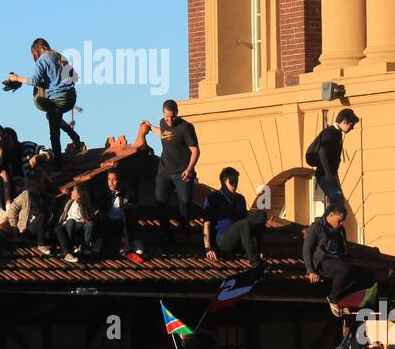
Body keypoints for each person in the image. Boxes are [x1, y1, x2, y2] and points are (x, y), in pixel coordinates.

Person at [5, 38, 83, 160]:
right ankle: (74, 136)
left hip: (57, 99)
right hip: (71, 97)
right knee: (52, 117)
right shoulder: (59, 56)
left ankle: (58, 163)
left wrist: (17, 78)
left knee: (54, 134)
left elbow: (34, 81)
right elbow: (74, 77)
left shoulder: (42, 59)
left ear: (36, 50)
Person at [149, 100, 199, 234]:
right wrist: (150, 127)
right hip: (164, 170)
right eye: (167, 117)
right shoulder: (162, 123)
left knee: (184, 201)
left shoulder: (186, 127)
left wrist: (189, 170)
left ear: (177, 113)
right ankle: (165, 232)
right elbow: (165, 135)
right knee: (160, 201)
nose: (169, 120)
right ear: (163, 114)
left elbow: (195, 151)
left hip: (182, 172)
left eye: (172, 117)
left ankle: (185, 230)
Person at [203, 167, 267, 270]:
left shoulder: (240, 199)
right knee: (243, 224)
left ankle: (256, 249)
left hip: (240, 239)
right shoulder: (213, 198)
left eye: (236, 181)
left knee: (260, 214)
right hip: (223, 241)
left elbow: (246, 219)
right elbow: (206, 223)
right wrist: (208, 248)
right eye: (232, 182)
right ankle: (255, 263)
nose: (235, 185)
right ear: (224, 181)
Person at [304, 108, 358, 209]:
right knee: (337, 203)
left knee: (337, 203)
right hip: (326, 175)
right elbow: (322, 151)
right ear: (344, 122)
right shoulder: (331, 132)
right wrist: (328, 173)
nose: (352, 128)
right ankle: (324, 224)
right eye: (351, 125)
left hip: (330, 174)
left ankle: (326, 223)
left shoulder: (336, 133)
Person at [97, 169, 144, 260]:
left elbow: (133, 207)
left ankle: (136, 244)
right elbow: (97, 207)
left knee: (132, 219)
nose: (111, 183)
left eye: (114, 180)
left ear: (119, 181)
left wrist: (126, 206)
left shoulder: (127, 194)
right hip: (107, 222)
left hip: (122, 222)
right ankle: (98, 244)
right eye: (109, 179)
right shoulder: (103, 193)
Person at [54, 184, 95, 265]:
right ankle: (71, 245)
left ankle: (85, 246)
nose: (71, 192)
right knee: (71, 221)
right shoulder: (69, 202)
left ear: (79, 194)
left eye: (74, 190)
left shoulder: (85, 205)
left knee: (90, 224)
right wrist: (63, 193)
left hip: (80, 226)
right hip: (68, 225)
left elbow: (88, 218)